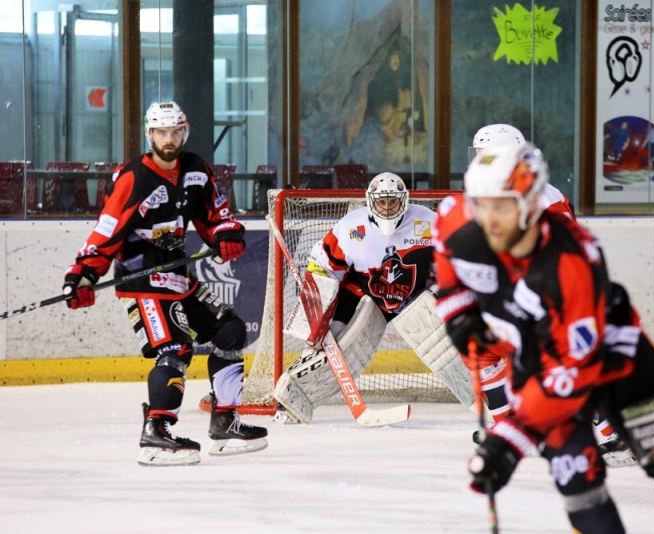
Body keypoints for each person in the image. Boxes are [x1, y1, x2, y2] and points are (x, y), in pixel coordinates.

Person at [435, 142, 654, 533]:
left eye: (502, 206)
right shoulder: (456, 219)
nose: (489, 220)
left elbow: (571, 375)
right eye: (481, 205)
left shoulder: (573, 264)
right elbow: (449, 271)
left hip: (623, 372)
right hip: (543, 369)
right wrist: (458, 315)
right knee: (578, 486)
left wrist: (509, 441)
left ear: (533, 202)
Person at [62, 101, 267, 466]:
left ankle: (225, 422)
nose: (168, 139)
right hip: (141, 280)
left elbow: (215, 214)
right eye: (160, 132)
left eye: (174, 132)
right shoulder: (133, 177)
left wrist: (225, 235)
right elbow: (106, 230)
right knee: (174, 350)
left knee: (231, 333)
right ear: (149, 134)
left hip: (178, 277)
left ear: (184, 132)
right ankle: (156, 432)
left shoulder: (196, 170)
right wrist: (83, 274)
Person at [438, 123, 637, 464]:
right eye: (479, 155)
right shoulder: (489, 192)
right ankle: (507, 425)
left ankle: (612, 429)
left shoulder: (542, 196)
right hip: (512, 289)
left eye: (488, 155)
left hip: (549, 293)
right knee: (485, 354)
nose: (480, 163)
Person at [274, 172, 477, 424]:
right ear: (371, 201)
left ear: (404, 200)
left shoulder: (429, 222)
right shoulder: (351, 227)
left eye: (393, 202)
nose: (388, 208)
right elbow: (323, 265)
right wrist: (317, 318)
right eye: (382, 202)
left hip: (415, 295)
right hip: (363, 294)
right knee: (328, 344)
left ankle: (487, 396)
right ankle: (290, 401)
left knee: (452, 338)